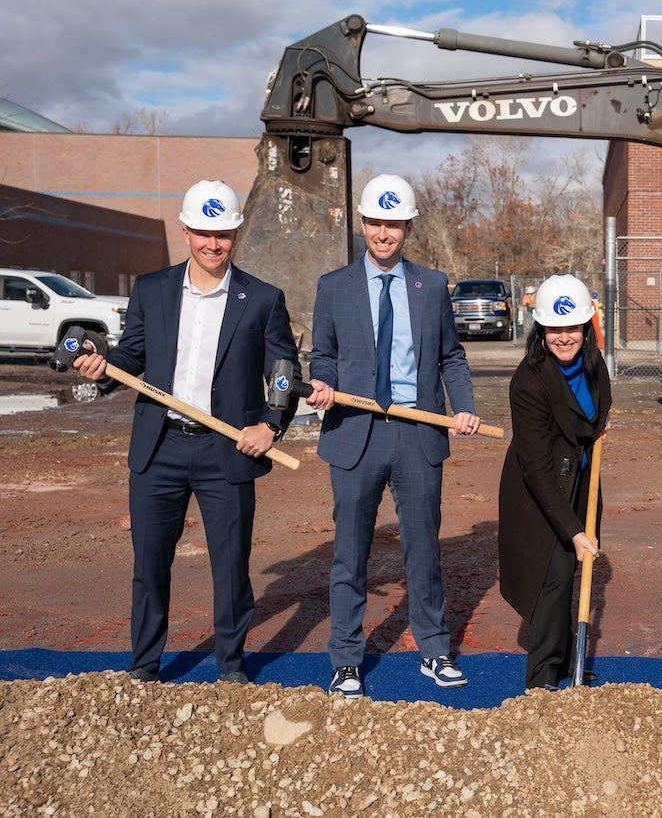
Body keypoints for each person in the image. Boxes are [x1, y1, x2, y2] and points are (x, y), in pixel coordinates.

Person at [71, 179, 299, 684]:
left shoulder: (262, 298)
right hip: (160, 447)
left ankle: (231, 668)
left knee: (231, 568)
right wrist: (104, 367)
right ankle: (145, 667)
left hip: (228, 450)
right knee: (150, 563)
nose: (212, 244)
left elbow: (283, 371)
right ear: (186, 230)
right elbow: (132, 355)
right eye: (202, 232)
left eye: (222, 234)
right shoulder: (152, 289)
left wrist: (270, 424)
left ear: (235, 233)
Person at [304, 173, 482, 699]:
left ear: (408, 227)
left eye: (394, 224)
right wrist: (323, 384)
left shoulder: (431, 285)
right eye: (375, 222)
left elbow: (451, 356)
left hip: (417, 432)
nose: (384, 233)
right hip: (355, 433)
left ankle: (433, 650)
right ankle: (345, 660)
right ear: (363, 224)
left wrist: (464, 407)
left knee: (424, 548)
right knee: (350, 551)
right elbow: (324, 356)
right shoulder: (333, 286)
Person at [497, 274, 612, 690]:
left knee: (572, 573)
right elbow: (536, 467)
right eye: (555, 328)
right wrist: (572, 530)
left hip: (578, 480)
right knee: (552, 577)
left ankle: (565, 663)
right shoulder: (528, 382)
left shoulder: (594, 366)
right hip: (538, 489)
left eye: (572, 327)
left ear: (585, 327)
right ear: (541, 329)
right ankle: (542, 679)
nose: (564, 337)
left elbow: (600, 407)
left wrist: (599, 425)